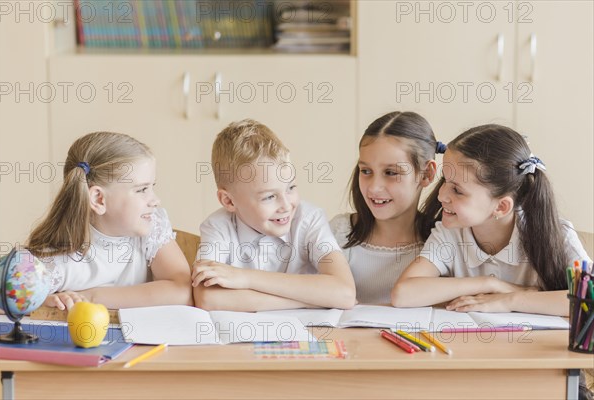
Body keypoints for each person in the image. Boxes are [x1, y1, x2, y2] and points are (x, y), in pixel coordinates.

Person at [391, 124, 591, 316]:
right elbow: (403, 294)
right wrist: (490, 284)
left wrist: (509, 300)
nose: (441, 195)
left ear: (501, 207)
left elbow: (589, 298)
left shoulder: (556, 234)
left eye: (457, 190)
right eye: (444, 181)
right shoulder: (449, 232)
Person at [193, 119, 356, 311]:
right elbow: (207, 299)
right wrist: (309, 300)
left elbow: (344, 293)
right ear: (229, 201)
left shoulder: (309, 219)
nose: (286, 205)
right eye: (269, 197)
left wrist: (244, 277)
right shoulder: (218, 227)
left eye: (291, 188)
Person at [26, 131, 193, 310]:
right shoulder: (59, 262)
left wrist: (89, 297)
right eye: (142, 190)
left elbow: (182, 291)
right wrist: (42, 301)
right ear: (99, 199)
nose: (155, 200)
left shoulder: (151, 227)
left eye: (152, 187)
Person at [329, 111, 444, 304]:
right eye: (366, 171)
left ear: (426, 174)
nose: (373, 187)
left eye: (390, 172)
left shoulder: (442, 241)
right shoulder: (339, 232)